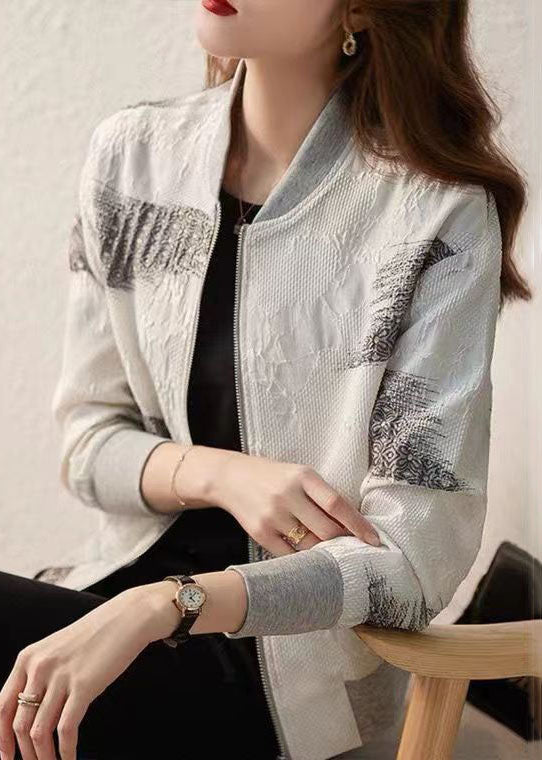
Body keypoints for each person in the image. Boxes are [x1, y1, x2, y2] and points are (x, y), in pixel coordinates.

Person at [0, 1, 531, 759]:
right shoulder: (133, 159)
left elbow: (411, 562)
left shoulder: (433, 214)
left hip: (280, 681)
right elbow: (88, 447)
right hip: (108, 604)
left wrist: (169, 606)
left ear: (361, 9)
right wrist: (222, 476)